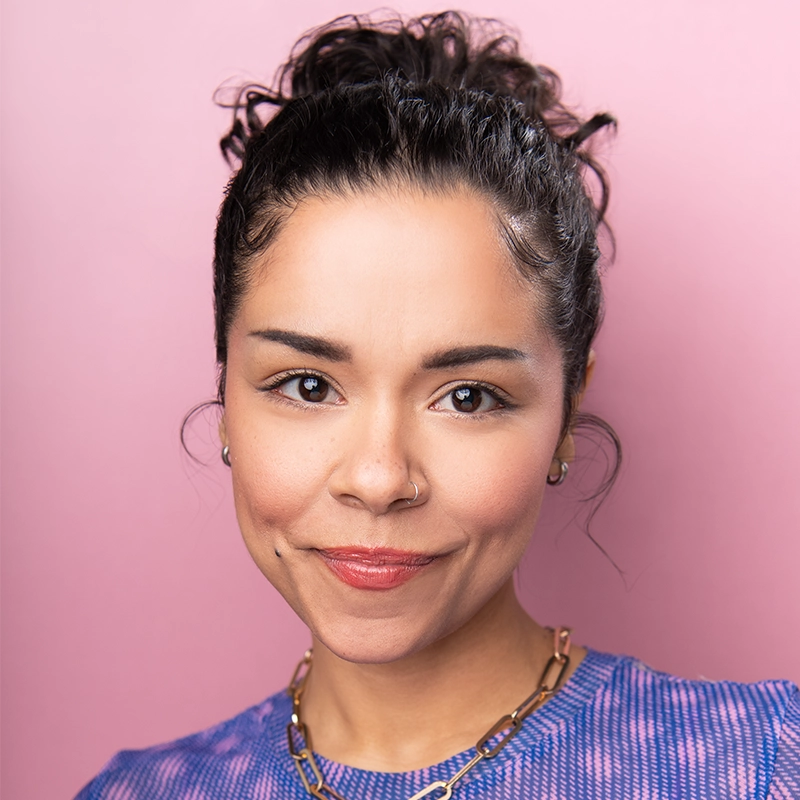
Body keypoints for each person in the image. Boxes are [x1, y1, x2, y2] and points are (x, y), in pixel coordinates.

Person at [74, 11, 799, 800]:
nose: (380, 479)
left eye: (467, 396)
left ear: (565, 410)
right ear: (224, 397)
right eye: (308, 385)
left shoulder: (761, 765)